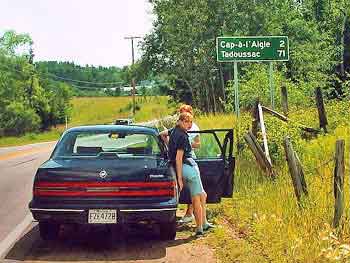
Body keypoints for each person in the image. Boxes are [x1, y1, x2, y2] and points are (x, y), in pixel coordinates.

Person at [167, 112, 213, 236]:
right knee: (196, 198)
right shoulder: (182, 136)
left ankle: (204, 223)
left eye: (191, 122)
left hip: (183, 168)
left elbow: (162, 134)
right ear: (180, 121)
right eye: (187, 122)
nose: (189, 124)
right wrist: (180, 178)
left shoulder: (173, 131)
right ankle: (200, 229)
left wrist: (167, 146)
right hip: (189, 168)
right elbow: (178, 158)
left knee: (203, 195)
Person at [160, 104, 200, 224]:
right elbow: (163, 135)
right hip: (180, 157)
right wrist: (171, 146)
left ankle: (190, 212)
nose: (184, 116)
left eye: (186, 113)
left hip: (189, 157)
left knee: (194, 189)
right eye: (181, 113)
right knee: (181, 186)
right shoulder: (177, 129)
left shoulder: (195, 128)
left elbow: (198, 144)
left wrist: (185, 144)